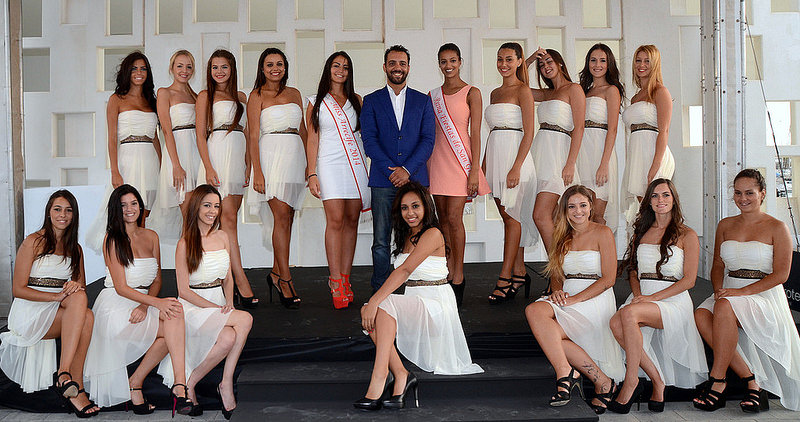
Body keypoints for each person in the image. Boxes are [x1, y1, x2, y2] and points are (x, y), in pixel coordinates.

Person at [355, 182, 482, 411]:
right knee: (371, 311)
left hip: (435, 305)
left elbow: (403, 272)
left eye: (415, 206)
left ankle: (380, 375)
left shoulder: (433, 234)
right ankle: (401, 374)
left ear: (426, 207)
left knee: (379, 305)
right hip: (416, 303)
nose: (410, 213)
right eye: (404, 208)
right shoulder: (405, 236)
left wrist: (375, 301)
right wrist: (372, 304)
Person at [694, 169, 800, 412]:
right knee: (701, 314)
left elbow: (781, 275)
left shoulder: (778, 227)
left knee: (724, 305)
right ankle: (752, 382)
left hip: (762, 295)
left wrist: (741, 294)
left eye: (750, 193)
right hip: (729, 293)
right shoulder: (725, 225)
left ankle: (718, 381)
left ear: (762, 194)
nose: (743, 198)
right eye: (738, 193)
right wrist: (720, 290)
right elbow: (718, 265)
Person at [83, 185, 193, 415]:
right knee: (171, 318)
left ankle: (172, 385)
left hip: (144, 301)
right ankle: (166, 387)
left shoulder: (151, 236)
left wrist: (146, 304)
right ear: (116, 209)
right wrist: (156, 304)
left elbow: (157, 281)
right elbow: (121, 287)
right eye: (123, 205)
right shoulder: (112, 240)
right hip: (116, 303)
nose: (130, 209)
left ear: (141, 206)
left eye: (134, 203)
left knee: (174, 318)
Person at [608, 179, 707, 414]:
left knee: (628, 315)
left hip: (673, 299)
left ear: (674, 200)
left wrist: (652, 299)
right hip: (643, 297)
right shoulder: (641, 231)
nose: (660, 200)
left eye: (665, 195)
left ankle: (631, 383)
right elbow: (634, 271)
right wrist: (640, 294)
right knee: (615, 323)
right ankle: (657, 380)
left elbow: (689, 281)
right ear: (648, 201)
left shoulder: (687, 235)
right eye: (654, 196)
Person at [525, 185, 623, 414]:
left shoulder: (603, 232)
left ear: (590, 207)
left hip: (594, 295)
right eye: (571, 206)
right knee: (534, 310)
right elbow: (558, 274)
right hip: (568, 294)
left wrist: (575, 299)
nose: (577, 211)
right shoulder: (561, 234)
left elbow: (609, 279)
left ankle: (593, 379)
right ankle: (568, 372)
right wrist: (557, 291)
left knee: (553, 334)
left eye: (582, 205)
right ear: (565, 210)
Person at [0, 190, 99, 417]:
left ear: (74, 215)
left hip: (58, 311)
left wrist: (73, 288)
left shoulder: (76, 249)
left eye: (68, 210)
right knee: (86, 314)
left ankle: (68, 379)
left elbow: (79, 287)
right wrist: (54, 297)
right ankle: (70, 380)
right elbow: (18, 289)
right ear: (49, 212)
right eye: (57, 209)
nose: (62, 214)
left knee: (85, 309)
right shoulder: (34, 241)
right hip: (30, 312)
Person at [158, 185, 253, 419]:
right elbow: (184, 291)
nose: (213, 211)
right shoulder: (184, 244)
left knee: (229, 337)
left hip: (218, 302)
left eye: (217, 206)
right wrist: (216, 310)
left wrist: (229, 302)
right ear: (197, 207)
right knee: (247, 318)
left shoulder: (223, 236)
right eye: (207, 205)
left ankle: (190, 384)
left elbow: (228, 277)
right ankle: (227, 382)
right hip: (193, 307)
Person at [361, 45, 436, 293]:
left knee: (417, 237)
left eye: (402, 63)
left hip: (415, 180)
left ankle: (415, 285)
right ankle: (382, 289)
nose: (397, 68)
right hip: (383, 181)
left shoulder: (423, 101)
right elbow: (369, 141)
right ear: (385, 67)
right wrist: (392, 170)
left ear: (408, 68)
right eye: (392, 63)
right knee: (381, 241)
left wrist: (406, 170)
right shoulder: (371, 101)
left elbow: (428, 140)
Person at [427, 43, 490, 306]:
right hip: (437, 160)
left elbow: (476, 133)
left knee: (455, 219)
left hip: (461, 162)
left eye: (452, 60)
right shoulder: (432, 95)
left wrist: (474, 170)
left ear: (460, 61)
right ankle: (447, 268)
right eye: (443, 61)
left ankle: (459, 275)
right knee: (442, 221)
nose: (448, 65)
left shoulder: (471, 92)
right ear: (439, 64)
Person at [195, 49, 258, 308]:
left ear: (232, 69)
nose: (219, 72)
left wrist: (248, 165)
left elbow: (249, 134)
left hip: (236, 159)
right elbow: (200, 135)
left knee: (230, 220)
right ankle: (238, 280)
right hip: (217, 156)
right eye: (214, 68)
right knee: (224, 219)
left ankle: (227, 280)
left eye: (224, 67)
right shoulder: (204, 96)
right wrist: (208, 167)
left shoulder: (241, 97)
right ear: (209, 71)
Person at [246, 47, 306, 309]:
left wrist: (310, 165)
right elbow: (252, 135)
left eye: (279, 63)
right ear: (262, 68)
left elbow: (303, 130)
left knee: (288, 218)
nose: (275, 68)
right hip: (271, 159)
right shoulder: (256, 95)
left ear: (285, 67)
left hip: (295, 158)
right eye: (269, 64)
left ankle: (275, 273)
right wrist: (257, 171)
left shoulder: (294, 93)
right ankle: (286, 279)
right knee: (281, 217)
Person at [305, 51, 365, 309]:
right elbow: (312, 138)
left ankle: (346, 277)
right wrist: (312, 172)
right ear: (328, 69)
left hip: (354, 164)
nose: (340, 70)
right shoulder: (316, 101)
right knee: (336, 220)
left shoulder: (357, 100)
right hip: (328, 165)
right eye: (336, 65)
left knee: (352, 220)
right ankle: (334, 280)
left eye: (345, 67)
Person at [86, 51, 161, 252]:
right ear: (127, 71)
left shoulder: (151, 101)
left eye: (143, 68)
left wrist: (163, 167)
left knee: (144, 214)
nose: (139, 72)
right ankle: (122, 259)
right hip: (128, 160)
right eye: (135, 68)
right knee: (125, 212)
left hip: (150, 163)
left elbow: (155, 138)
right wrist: (114, 170)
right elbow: (111, 138)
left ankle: (141, 258)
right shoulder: (116, 99)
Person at [483, 42, 538, 304]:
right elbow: (492, 130)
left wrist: (516, 166)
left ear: (519, 61)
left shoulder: (524, 91)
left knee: (513, 217)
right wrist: (482, 164)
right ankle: (519, 272)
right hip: (495, 157)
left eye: (509, 59)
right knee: (507, 218)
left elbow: (529, 132)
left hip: (516, 160)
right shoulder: (494, 93)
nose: (503, 64)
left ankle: (505, 278)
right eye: (499, 58)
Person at [526, 47, 585, 254]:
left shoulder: (573, 89)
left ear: (560, 63)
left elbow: (579, 128)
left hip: (559, 156)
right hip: (540, 153)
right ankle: (558, 271)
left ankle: (557, 269)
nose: (545, 67)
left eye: (549, 62)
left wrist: (570, 163)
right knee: (550, 218)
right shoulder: (546, 93)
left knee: (541, 215)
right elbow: (518, 82)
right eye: (542, 65)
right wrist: (532, 58)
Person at [150, 49, 201, 240]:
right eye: (180, 65)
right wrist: (176, 165)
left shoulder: (197, 96)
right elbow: (166, 130)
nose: (184, 70)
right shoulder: (164, 93)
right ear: (172, 68)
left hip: (197, 154)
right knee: (188, 216)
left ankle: (196, 265)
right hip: (178, 154)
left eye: (189, 66)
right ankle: (185, 268)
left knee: (198, 217)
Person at [620, 45, 675, 223]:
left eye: (647, 61)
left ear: (655, 64)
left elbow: (664, 130)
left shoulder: (660, 91)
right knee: (644, 212)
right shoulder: (636, 98)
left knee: (656, 208)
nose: (641, 65)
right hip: (637, 155)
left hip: (653, 154)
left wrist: (655, 165)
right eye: (638, 60)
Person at [576, 44, 623, 227]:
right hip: (582, 154)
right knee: (584, 213)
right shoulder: (583, 91)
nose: (597, 65)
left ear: (609, 63)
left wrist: (604, 164)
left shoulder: (611, 90)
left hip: (600, 153)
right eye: (593, 60)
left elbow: (613, 129)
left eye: (602, 60)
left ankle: (605, 255)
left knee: (598, 215)